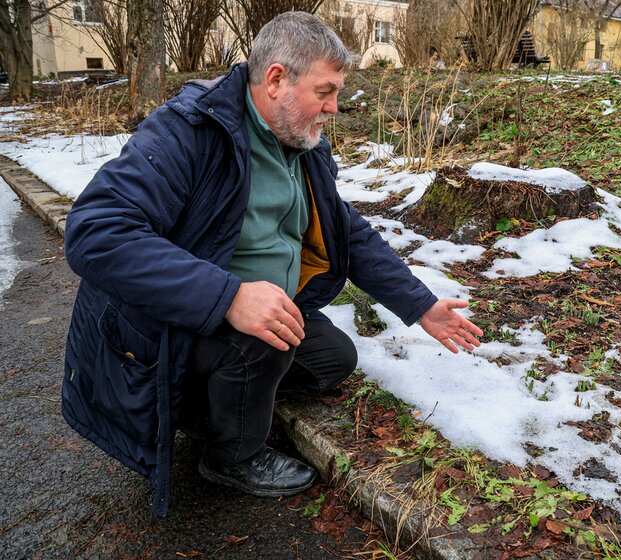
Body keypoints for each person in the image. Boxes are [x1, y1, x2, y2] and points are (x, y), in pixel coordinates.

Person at [62, 12, 482, 516]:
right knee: (263, 343)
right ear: (277, 79)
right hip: (174, 323)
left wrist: (420, 306)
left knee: (332, 358)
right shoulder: (188, 132)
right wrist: (230, 298)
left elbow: (344, 229)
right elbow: (95, 232)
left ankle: (211, 405)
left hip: (251, 307)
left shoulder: (300, 140)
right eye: (325, 92)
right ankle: (230, 455)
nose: (334, 107)